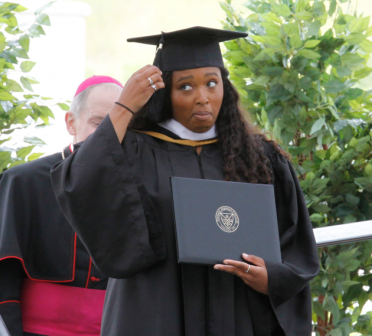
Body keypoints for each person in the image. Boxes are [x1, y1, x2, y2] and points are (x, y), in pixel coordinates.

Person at [51, 27, 320, 336]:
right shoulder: (134, 151)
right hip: (155, 314)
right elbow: (78, 178)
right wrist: (123, 107)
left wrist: (273, 277)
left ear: (225, 87)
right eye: (186, 87)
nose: (202, 97)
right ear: (167, 93)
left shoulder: (259, 157)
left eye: (211, 83)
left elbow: (295, 243)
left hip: (238, 313)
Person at [0, 76, 123, 336]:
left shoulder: (142, 185)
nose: (109, 134)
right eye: (98, 123)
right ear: (71, 122)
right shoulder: (21, 182)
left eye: (119, 124)